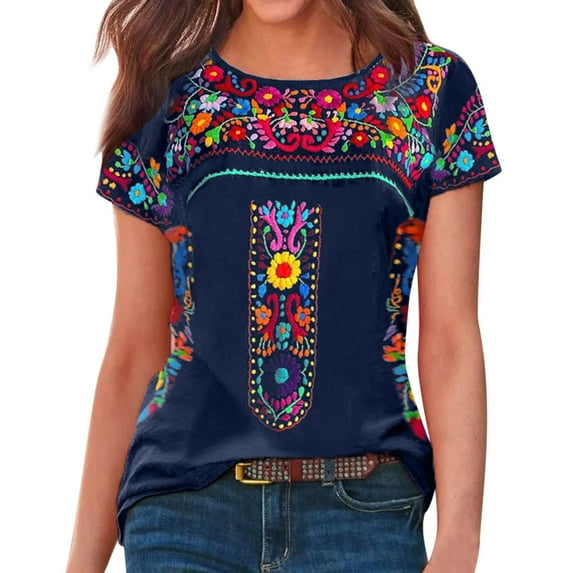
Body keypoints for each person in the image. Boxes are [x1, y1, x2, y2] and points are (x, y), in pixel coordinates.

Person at [66, 1, 502, 571]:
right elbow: (133, 353)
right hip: (181, 517)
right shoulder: (167, 101)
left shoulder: (431, 93)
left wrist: (459, 544)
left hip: (365, 518)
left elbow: (450, 340)